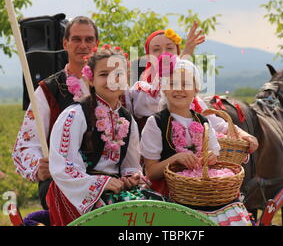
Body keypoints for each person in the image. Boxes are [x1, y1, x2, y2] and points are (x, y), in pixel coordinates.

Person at [45, 46, 161, 226]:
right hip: (77, 192)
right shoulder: (75, 115)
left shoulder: (127, 119)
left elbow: (130, 164)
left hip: (114, 189)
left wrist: (131, 177)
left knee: (157, 209)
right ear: (90, 79)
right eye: (104, 74)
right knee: (119, 219)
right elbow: (62, 167)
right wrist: (100, 184)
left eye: (118, 74)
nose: (112, 80)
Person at [12, 16, 99, 209]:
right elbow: (25, 146)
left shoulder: (111, 86)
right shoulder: (47, 91)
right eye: (76, 39)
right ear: (65, 43)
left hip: (104, 177)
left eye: (88, 39)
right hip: (62, 182)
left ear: (96, 44)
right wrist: (38, 166)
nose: (83, 45)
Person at [130, 26, 259, 154]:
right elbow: (159, 91)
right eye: (156, 49)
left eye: (169, 48)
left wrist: (243, 134)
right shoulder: (140, 91)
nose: (164, 54)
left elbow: (217, 124)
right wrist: (185, 54)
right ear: (148, 57)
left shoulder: (190, 98)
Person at [140, 57, 221, 196]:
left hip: (201, 188)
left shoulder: (203, 121)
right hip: (169, 190)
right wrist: (175, 159)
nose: (179, 89)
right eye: (172, 84)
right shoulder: (156, 123)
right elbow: (151, 172)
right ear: (164, 88)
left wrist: (210, 157)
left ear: (196, 89)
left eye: (186, 84)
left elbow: (214, 154)